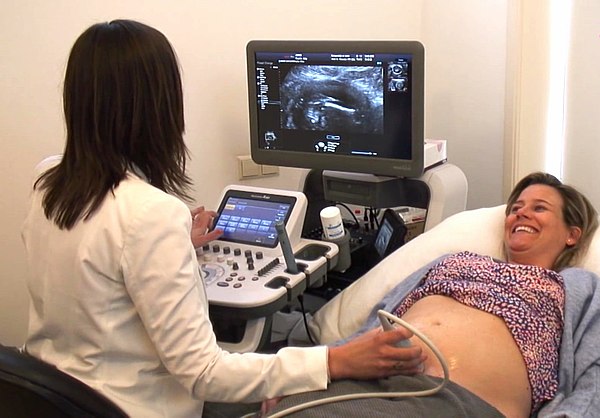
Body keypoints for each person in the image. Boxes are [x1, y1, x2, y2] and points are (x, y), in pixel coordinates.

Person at [20, 20, 424, 418]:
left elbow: (99, 260)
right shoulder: (150, 215)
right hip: (133, 407)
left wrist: (171, 245)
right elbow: (206, 374)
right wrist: (334, 361)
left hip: (56, 399)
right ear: (158, 106)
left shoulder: (49, 180)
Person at [266, 172, 600, 418]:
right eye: (516, 207)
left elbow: (594, 374)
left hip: (458, 402)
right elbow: (378, 318)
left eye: (539, 208)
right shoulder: (456, 260)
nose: (520, 213)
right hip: (365, 383)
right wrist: (308, 371)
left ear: (572, 234)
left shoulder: (577, 287)